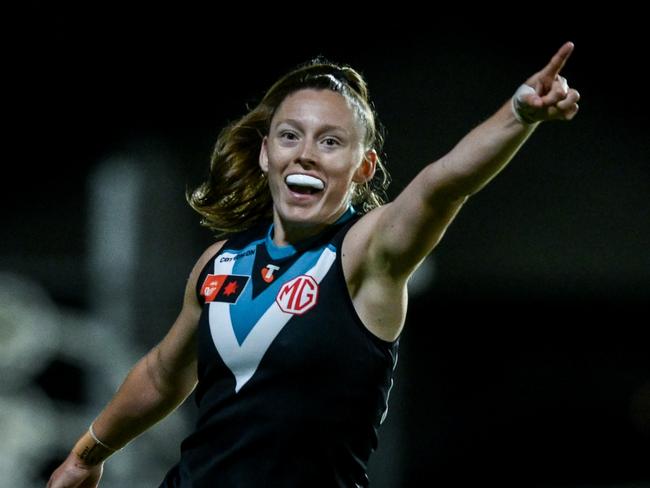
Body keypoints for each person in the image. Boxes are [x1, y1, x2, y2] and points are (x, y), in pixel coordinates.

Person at [47, 42, 580, 487]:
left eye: (330, 142)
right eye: (289, 135)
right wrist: (85, 455)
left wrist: (518, 114)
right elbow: (165, 373)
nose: (304, 154)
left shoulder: (367, 255)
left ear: (363, 167)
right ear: (265, 155)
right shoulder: (222, 260)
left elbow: (443, 185)